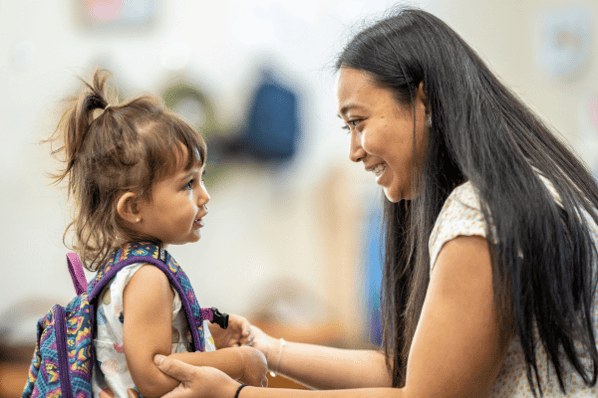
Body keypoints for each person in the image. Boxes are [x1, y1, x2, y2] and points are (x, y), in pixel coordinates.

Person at [129, 7, 598, 398]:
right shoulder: (520, 192)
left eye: (358, 122)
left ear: (424, 101)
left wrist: (237, 395)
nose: (354, 150)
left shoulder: (479, 217)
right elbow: (412, 372)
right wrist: (271, 349)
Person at [49, 69, 268, 398]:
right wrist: (241, 361)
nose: (204, 196)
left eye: (202, 178)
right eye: (188, 184)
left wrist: (208, 338)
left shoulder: (123, 267)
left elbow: (147, 353)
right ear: (133, 208)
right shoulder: (148, 277)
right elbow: (153, 377)